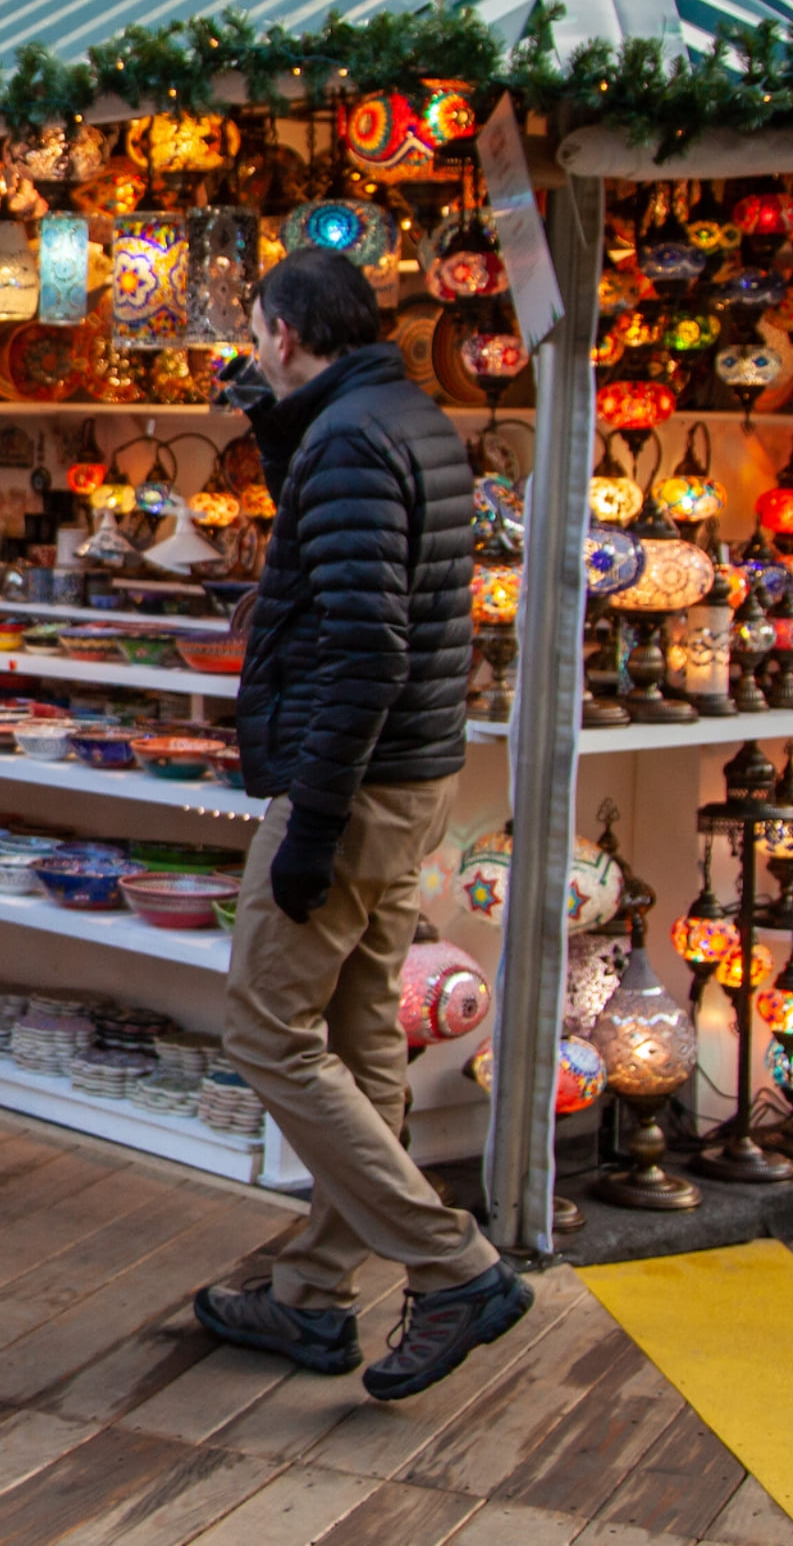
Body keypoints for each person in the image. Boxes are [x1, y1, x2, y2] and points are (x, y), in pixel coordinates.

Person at [191, 247, 524, 1403]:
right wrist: (277, 432)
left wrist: (318, 816)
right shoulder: (397, 416)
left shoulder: (347, 440)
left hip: (358, 784)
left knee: (269, 1028)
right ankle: (311, 1296)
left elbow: (365, 641)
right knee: (360, 1031)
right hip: (414, 773)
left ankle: (454, 1267)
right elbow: (357, 567)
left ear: (284, 333)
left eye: (259, 336)